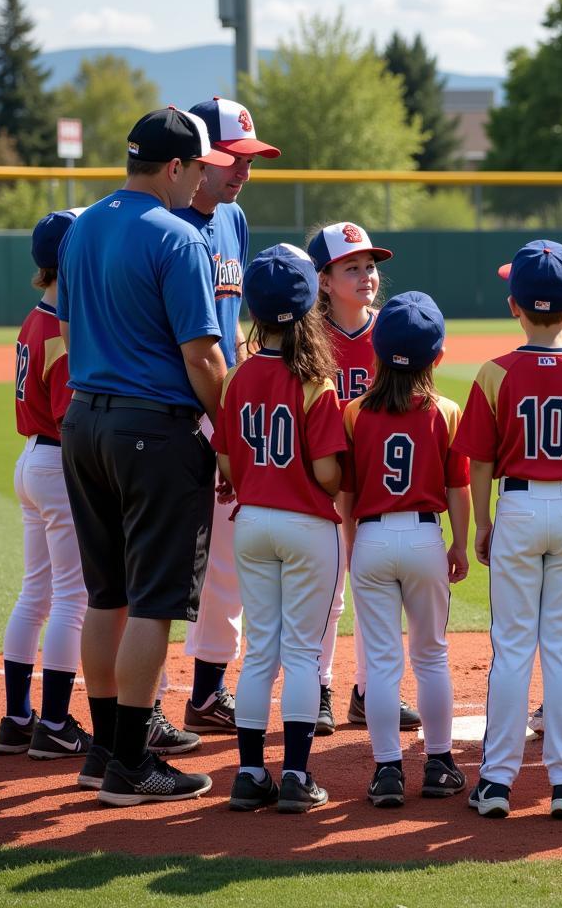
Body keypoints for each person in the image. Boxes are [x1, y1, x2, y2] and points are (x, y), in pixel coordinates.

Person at [57, 106, 232, 806]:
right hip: (152, 432)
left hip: (82, 425)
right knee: (153, 602)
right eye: (199, 166)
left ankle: (103, 753)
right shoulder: (177, 235)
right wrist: (231, 439)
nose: (204, 179)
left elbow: (70, 332)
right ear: (174, 167)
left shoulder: (83, 225)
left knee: (108, 598)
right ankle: (132, 762)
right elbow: (204, 356)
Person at [453, 240, 562, 820]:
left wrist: (482, 522)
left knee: (511, 649)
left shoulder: (493, 373)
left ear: (512, 306)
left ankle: (496, 781)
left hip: (518, 508)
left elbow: (476, 461)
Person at [149, 96, 282, 753]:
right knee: (161, 569)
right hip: (171, 417)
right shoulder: (160, 224)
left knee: (225, 565)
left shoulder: (233, 220)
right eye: (232, 159)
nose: (243, 173)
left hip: (226, 413)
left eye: (249, 160)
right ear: (194, 159)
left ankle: (206, 691)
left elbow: (233, 331)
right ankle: (137, 706)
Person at [213, 244, 346, 814]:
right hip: (306, 523)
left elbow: (224, 463)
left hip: (253, 522)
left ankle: (248, 774)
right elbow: (325, 472)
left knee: (260, 648)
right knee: (303, 652)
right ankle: (294, 774)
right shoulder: (317, 381)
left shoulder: (238, 377)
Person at [339, 291, 471, 808]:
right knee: (432, 655)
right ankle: (439, 764)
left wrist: (353, 542)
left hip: (371, 536)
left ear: (374, 353)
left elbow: (347, 493)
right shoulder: (446, 410)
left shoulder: (354, 412)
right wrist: (460, 542)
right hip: (423, 537)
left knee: (381, 660)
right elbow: (458, 488)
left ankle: (388, 770)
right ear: (437, 358)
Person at [306, 223, 421, 736]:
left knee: (381, 592)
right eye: (351, 267)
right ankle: (323, 689)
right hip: (326, 482)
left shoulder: (393, 330)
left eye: (370, 265)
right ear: (324, 280)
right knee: (330, 593)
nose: (367, 275)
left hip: (380, 483)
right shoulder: (309, 339)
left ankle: (371, 691)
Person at [0, 209, 90, 761]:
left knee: (36, 592)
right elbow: (71, 421)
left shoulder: (36, 319)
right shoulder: (64, 329)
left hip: (30, 460)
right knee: (73, 598)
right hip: (58, 463)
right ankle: (53, 722)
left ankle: (16, 718)